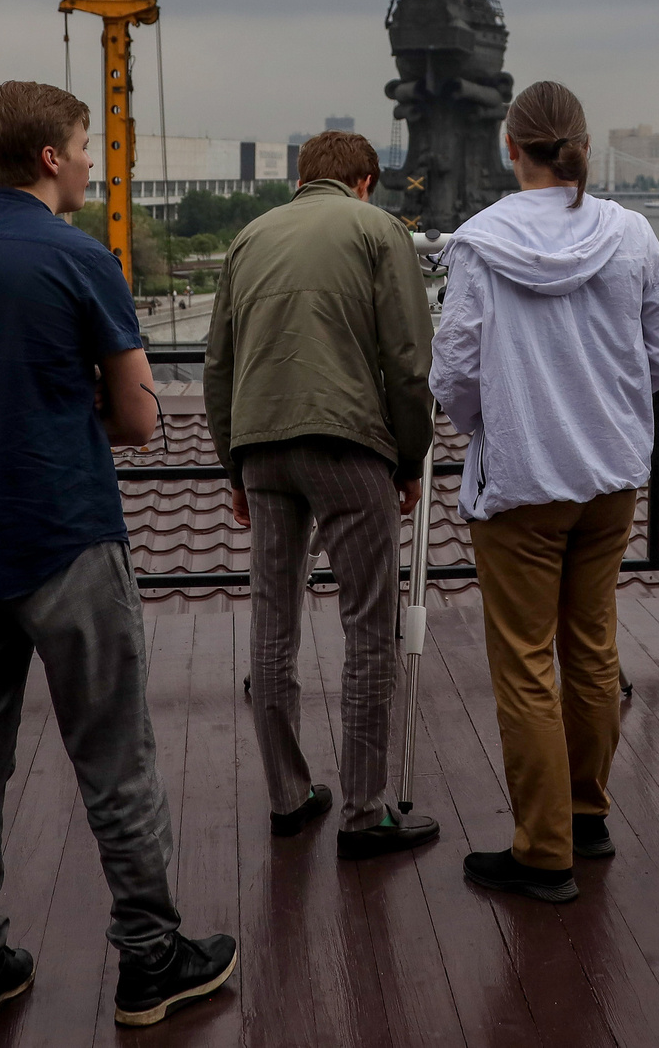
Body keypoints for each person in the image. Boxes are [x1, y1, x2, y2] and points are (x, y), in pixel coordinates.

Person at [0, 81, 236, 1035]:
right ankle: (150, 958)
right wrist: (84, 396)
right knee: (113, 756)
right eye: (85, 146)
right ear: (51, 157)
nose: (93, 161)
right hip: (64, 536)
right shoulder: (81, 258)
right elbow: (137, 418)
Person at [431, 80, 659, 904]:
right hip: (611, 477)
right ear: (580, 141)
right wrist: (607, 397)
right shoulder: (633, 233)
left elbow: (456, 372)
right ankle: (586, 814)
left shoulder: (478, 241)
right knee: (592, 645)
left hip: (522, 483)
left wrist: (492, 419)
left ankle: (543, 849)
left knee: (526, 662)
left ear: (513, 147)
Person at [205, 129, 439, 860]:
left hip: (262, 446)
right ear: (365, 180)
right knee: (369, 621)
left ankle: (288, 795)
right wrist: (410, 456)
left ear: (304, 179)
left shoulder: (249, 237)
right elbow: (406, 358)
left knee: (273, 618)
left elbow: (218, 360)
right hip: (347, 443)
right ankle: (366, 812)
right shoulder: (378, 230)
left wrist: (232, 464)